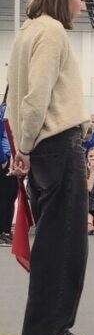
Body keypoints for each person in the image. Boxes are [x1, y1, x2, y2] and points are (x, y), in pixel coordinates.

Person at [6, 0, 91, 335]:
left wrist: (22, 147)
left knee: (53, 241)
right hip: (57, 146)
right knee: (65, 244)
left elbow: (15, 96)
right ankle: (46, 332)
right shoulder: (52, 32)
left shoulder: (28, 31)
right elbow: (35, 96)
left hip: (42, 148)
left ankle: (44, 328)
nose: (82, 6)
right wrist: (24, 146)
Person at [0, 98, 17, 246]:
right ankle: (3, 232)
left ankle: (5, 230)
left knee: (11, 196)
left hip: (13, 160)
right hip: (5, 161)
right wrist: (3, 159)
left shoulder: (14, 111)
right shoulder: (4, 111)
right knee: (5, 197)